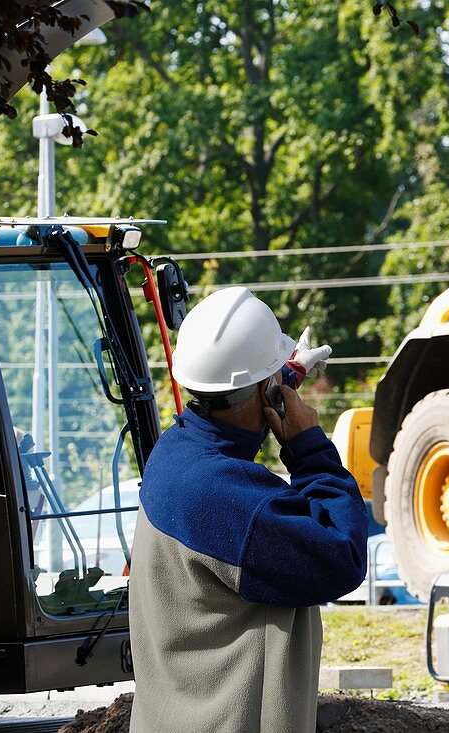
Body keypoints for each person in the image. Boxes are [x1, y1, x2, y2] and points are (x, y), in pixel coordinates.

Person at [129, 286, 369, 733]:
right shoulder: (237, 501)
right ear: (263, 392)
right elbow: (343, 555)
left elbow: (234, 407)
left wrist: (281, 377)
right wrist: (309, 448)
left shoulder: (175, 454)